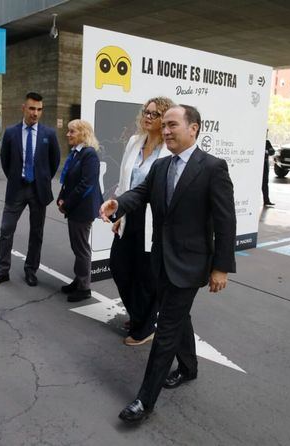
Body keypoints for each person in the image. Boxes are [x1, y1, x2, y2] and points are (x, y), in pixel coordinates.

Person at [100, 105, 236, 423]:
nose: (167, 131)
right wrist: (118, 204)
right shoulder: (161, 167)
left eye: (173, 125)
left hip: (190, 264)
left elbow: (225, 221)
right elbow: (139, 194)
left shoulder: (213, 167)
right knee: (177, 315)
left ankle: (145, 401)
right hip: (160, 258)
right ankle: (189, 368)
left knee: (167, 329)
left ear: (194, 129)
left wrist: (221, 267)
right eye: (165, 126)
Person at [110, 96, 173, 347]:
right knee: (119, 266)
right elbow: (125, 182)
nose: (148, 117)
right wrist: (120, 213)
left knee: (146, 275)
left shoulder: (169, 149)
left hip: (152, 219)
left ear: (165, 119)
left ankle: (145, 326)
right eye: (146, 112)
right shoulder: (135, 141)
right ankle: (140, 315)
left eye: (155, 114)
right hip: (130, 213)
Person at [0, 92, 61, 288]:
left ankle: (31, 270)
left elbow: (54, 162)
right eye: (31, 108)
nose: (35, 113)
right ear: (24, 108)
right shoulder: (11, 132)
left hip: (38, 190)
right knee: (6, 229)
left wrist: (43, 179)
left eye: (39, 109)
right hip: (17, 189)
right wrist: (15, 177)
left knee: (37, 233)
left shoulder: (49, 134)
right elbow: (5, 160)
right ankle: (2, 270)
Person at [58, 119, 103, 303]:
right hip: (75, 206)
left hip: (82, 209)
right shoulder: (77, 153)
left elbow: (86, 184)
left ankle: (84, 287)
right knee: (78, 246)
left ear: (83, 133)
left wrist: (67, 204)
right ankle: (78, 280)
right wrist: (62, 196)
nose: (68, 134)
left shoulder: (89, 154)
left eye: (72, 131)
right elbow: (69, 179)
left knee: (81, 248)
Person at [263, 136, 275, 206]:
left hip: (265, 165)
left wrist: (266, 151)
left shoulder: (266, 142)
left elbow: (272, 151)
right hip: (257, 165)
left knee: (265, 182)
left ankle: (266, 200)